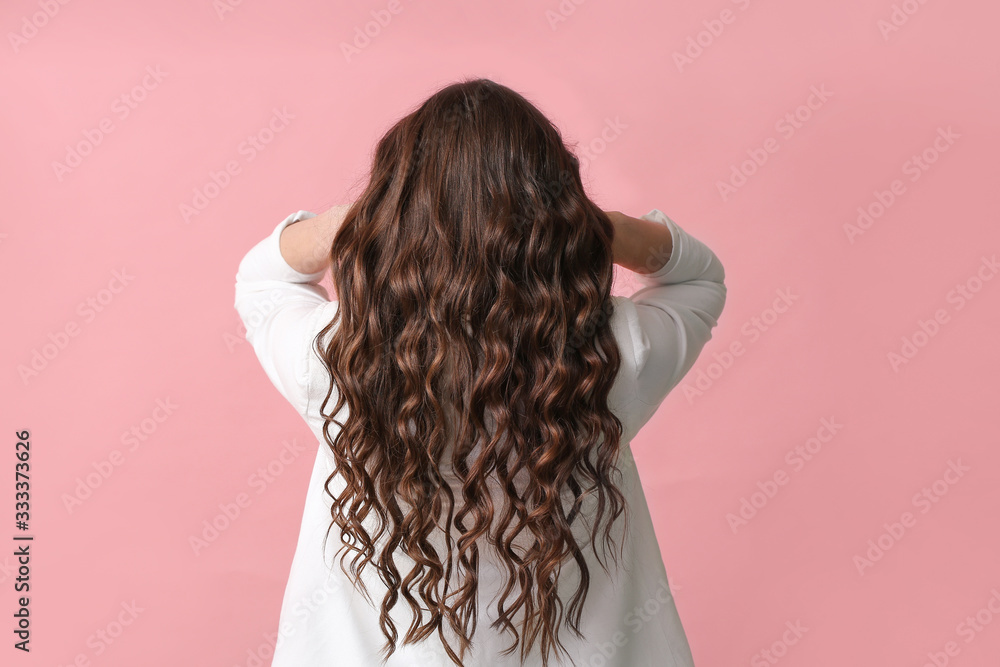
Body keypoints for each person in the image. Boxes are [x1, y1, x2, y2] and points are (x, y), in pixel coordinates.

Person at [234, 77, 727, 667]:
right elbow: (699, 278)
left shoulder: (338, 356)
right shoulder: (616, 352)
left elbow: (262, 279)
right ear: (559, 209)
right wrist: (596, 226)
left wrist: (360, 220)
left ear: (394, 208)